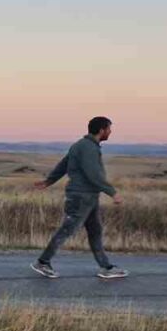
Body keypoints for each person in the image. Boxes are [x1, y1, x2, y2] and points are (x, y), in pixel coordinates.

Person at [32, 116, 128, 280]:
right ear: (101, 130)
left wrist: (49, 181)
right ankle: (43, 262)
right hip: (81, 196)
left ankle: (106, 267)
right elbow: (93, 174)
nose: (110, 132)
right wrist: (112, 192)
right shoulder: (88, 148)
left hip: (89, 197)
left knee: (95, 231)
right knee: (67, 230)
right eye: (109, 129)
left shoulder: (81, 145)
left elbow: (64, 164)